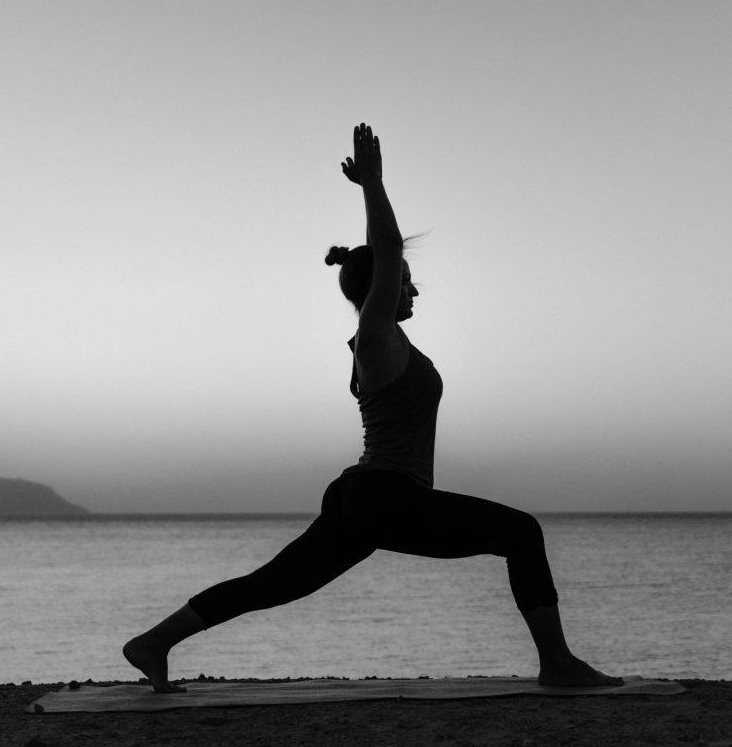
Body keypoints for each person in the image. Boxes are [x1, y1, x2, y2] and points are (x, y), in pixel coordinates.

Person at [123, 123, 623, 693]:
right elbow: (386, 250)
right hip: (386, 495)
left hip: (367, 496)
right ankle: (558, 665)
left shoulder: (389, 342)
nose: (414, 290)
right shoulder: (375, 335)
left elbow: (384, 261)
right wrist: (372, 185)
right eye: (406, 282)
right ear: (381, 289)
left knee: (274, 584)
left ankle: (152, 643)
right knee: (521, 532)